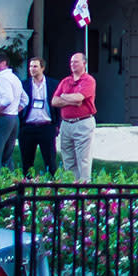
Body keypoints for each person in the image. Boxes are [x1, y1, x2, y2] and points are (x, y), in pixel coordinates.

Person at [52, 51, 99, 182]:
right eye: (71, 62)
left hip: (83, 123)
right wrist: (71, 100)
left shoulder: (89, 80)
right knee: (68, 158)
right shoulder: (66, 81)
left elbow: (79, 98)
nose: (72, 64)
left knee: (83, 158)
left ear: (84, 63)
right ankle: (72, 189)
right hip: (66, 123)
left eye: (76, 62)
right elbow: (54, 101)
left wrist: (64, 97)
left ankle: (84, 189)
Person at [0, 50, 26, 174]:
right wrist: (14, 111)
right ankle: (10, 186)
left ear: (3, 63)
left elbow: (7, 99)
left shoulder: (2, 77)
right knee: (7, 158)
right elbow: (25, 100)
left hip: (2, 119)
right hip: (13, 119)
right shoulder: (14, 78)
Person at [18, 56, 58, 177]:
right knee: (27, 162)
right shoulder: (23, 85)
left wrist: (57, 124)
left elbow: (57, 106)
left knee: (50, 161)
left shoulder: (53, 84)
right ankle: (27, 191)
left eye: (35, 66)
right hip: (28, 127)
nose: (32, 69)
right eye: (30, 66)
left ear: (42, 68)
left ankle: (51, 189)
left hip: (46, 126)